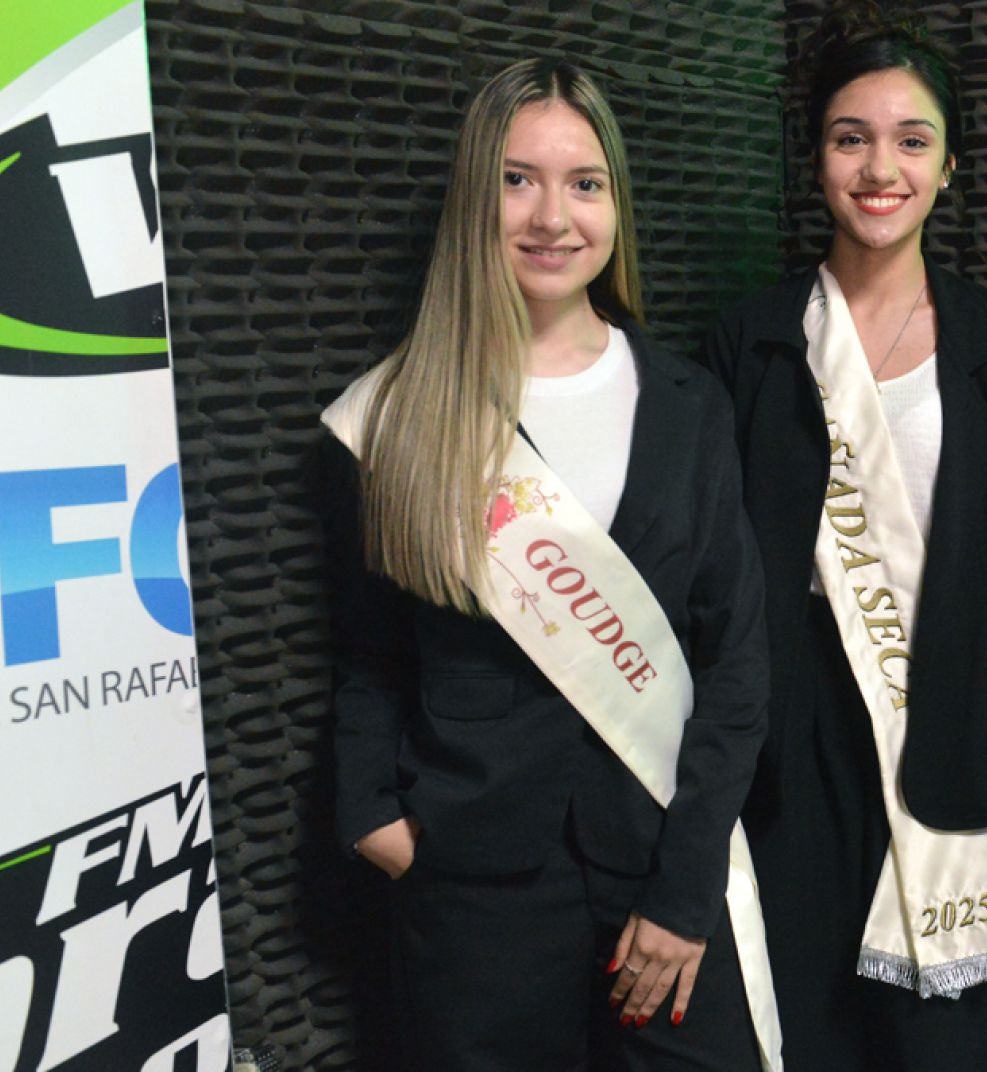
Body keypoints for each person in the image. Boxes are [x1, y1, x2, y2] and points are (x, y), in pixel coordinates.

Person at [317, 58, 778, 1071]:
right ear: (474, 197)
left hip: (657, 872)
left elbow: (737, 666)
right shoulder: (399, 412)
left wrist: (683, 891)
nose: (550, 216)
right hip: (470, 887)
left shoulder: (690, 404)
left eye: (584, 183)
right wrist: (375, 818)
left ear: (615, 204)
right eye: (517, 179)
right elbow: (369, 653)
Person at [697, 3, 987, 1068]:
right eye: (850, 137)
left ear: (949, 166)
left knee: (941, 1042)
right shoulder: (752, 339)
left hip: (946, 739)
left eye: (911, 140)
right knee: (798, 1034)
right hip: (787, 747)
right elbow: (712, 587)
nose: (878, 167)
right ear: (816, 159)